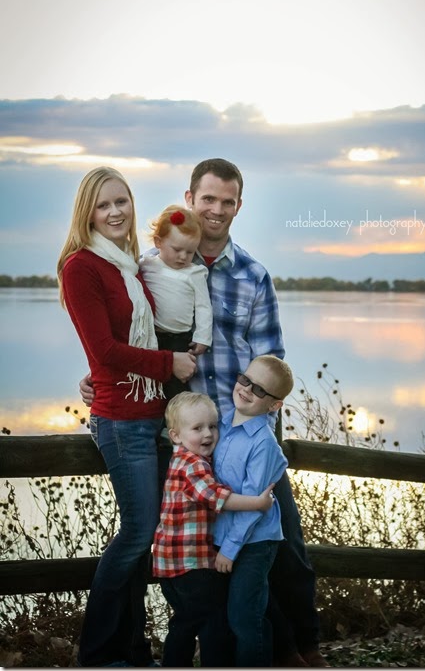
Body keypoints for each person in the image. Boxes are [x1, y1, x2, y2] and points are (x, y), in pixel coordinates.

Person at [80, 158, 327, 668]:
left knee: (283, 542)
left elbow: (272, 363)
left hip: (241, 436)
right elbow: (127, 337)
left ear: (239, 206)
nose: (216, 209)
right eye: (207, 198)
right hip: (184, 439)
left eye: (227, 201)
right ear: (189, 199)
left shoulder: (252, 275)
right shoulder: (152, 267)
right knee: (174, 544)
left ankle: (304, 649)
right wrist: (96, 378)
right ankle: (163, 650)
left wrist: (256, 443)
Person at [58, 166, 196, 668]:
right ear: (88, 213)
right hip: (121, 421)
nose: (115, 212)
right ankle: (96, 653)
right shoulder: (82, 267)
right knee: (139, 531)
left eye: (122, 201)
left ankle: (133, 652)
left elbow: (131, 337)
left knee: (145, 540)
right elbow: (105, 349)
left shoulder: (131, 266)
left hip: (152, 414)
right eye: (104, 205)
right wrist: (168, 364)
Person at [153, 390, 275, 667]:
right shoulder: (192, 464)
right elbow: (215, 497)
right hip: (189, 563)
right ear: (175, 436)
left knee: (187, 621)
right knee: (211, 621)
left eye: (212, 425)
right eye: (197, 428)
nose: (208, 434)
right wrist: (257, 502)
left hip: (171, 562)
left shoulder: (184, 459)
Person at [213, 355, 292, 667]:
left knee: (244, 616)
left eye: (259, 389)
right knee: (222, 615)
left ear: (274, 405)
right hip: (222, 536)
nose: (246, 389)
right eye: (245, 380)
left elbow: (253, 505)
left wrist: (230, 549)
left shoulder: (264, 444)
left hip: (255, 542)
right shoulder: (220, 425)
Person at [140, 204, 212, 400]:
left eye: (190, 252)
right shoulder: (146, 264)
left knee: (176, 388)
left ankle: (175, 417)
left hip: (180, 339)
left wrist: (203, 337)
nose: (183, 257)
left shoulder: (195, 273)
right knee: (149, 382)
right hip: (151, 336)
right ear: (158, 242)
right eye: (177, 249)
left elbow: (204, 307)